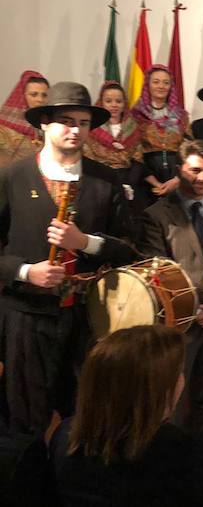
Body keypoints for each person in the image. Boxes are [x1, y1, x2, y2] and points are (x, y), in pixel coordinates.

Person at [0, 82, 132, 435]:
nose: (76, 130)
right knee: (24, 420)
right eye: (66, 121)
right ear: (44, 122)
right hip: (26, 316)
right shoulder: (12, 177)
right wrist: (26, 272)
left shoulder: (106, 181)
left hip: (87, 320)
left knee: (84, 417)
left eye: (84, 122)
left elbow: (129, 250)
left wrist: (84, 242)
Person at [50, 325, 203, 507]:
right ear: (159, 389)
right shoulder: (193, 454)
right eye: (178, 373)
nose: (182, 380)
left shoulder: (65, 437)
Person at [139, 139, 203, 437]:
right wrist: (193, 310)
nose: (202, 178)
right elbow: (155, 272)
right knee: (168, 407)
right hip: (177, 326)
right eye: (195, 170)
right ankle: (171, 479)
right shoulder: (155, 215)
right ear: (180, 169)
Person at [131, 65, 191, 202]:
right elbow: (133, 151)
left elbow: (189, 148)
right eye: (156, 82)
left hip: (177, 176)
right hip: (146, 176)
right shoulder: (136, 115)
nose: (161, 86)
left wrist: (177, 179)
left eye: (166, 82)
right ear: (148, 85)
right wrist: (155, 183)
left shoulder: (181, 115)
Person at [83, 81, 144, 206]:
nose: (114, 105)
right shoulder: (92, 127)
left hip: (126, 180)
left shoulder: (133, 126)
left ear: (124, 104)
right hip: (99, 179)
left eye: (118, 101)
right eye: (109, 101)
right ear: (101, 103)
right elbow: (87, 159)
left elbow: (138, 160)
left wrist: (129, 183)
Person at [0, 71, 49, 167]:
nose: (40, 99)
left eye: (44, 95)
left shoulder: (51, 126)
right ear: (22, 96)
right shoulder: (4, 128)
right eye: (34, 94)